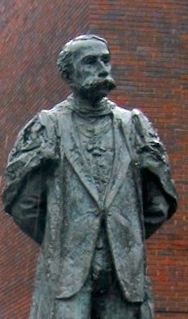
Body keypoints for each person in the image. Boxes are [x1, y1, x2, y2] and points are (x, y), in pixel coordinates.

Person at [3, 35, 177, 319]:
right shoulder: (48, 127)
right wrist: (67, 238)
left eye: (105, 60)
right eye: (90, 61)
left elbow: (158, 203)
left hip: (125, 274)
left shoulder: (134, 126)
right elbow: (24, 205)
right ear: (69, 72)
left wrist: (122, 235)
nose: (102, 68)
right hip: (66, 277)